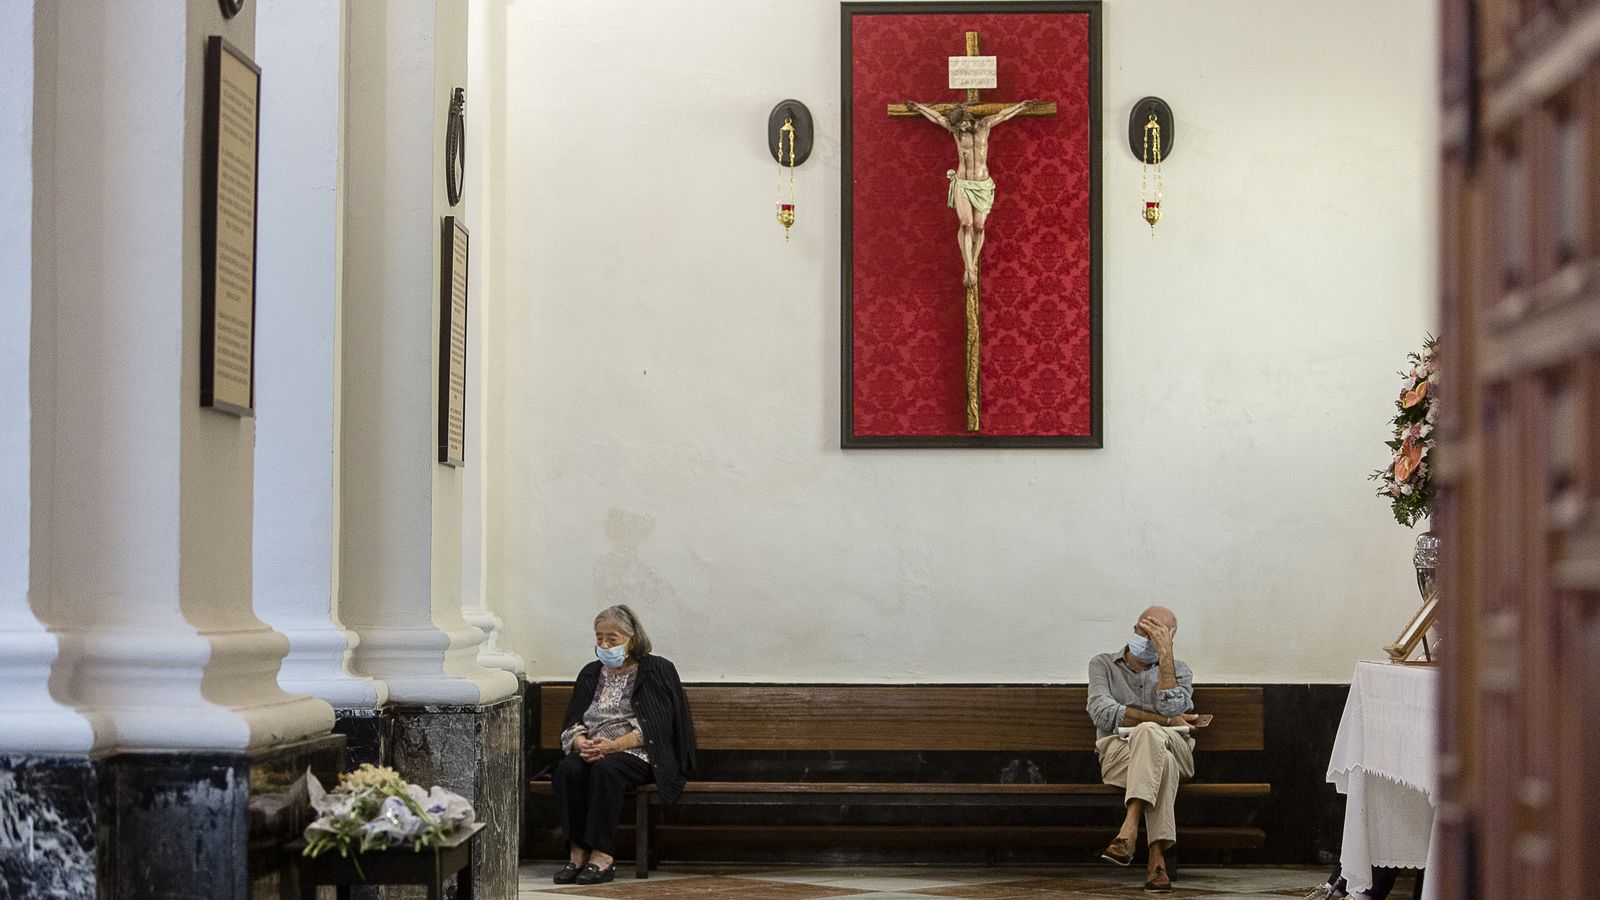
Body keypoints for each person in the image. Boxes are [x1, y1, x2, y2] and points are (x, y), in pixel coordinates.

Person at [550, 605, 696, 885]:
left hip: (639, 752)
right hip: (595, 748)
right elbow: (573, 720)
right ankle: (577, 853)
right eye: (599, 638)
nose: (604, 645)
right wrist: (582, 743)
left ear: (632, 638)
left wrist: (614, 746)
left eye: (612, 639)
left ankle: (602, 857)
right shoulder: (591, 673)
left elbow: (658, 725)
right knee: (568, 770)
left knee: (607, 771)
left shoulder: (656, 669)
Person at [1086, 606, 1209, 894]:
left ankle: (1128, 829)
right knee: (1156, 749)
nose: (1147, 637)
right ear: (1135, 627)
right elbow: (1102, 713)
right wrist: (1162, 721)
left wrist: (1166, 659)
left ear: (1170, 639)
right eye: (1145, 629)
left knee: (1151, 736)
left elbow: (1177, 708)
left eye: (1158, 634)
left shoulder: (1179, 670)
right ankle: (1157, 858)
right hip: (1119, 755)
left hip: (1178, 751)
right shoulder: (1102, 664)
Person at [903, 99, 1042, 287]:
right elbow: (937, 118)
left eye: (961, 124)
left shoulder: (985, 125)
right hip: (963, 183)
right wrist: (919, 107)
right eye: (956, 127)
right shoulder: (955, 131)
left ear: (967, 118)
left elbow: (1003, 115)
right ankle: (968, 268)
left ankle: (973, 262)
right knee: (966, 224)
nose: (959, 129)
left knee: (979, 227)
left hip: (983, 185)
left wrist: (1021, 107)